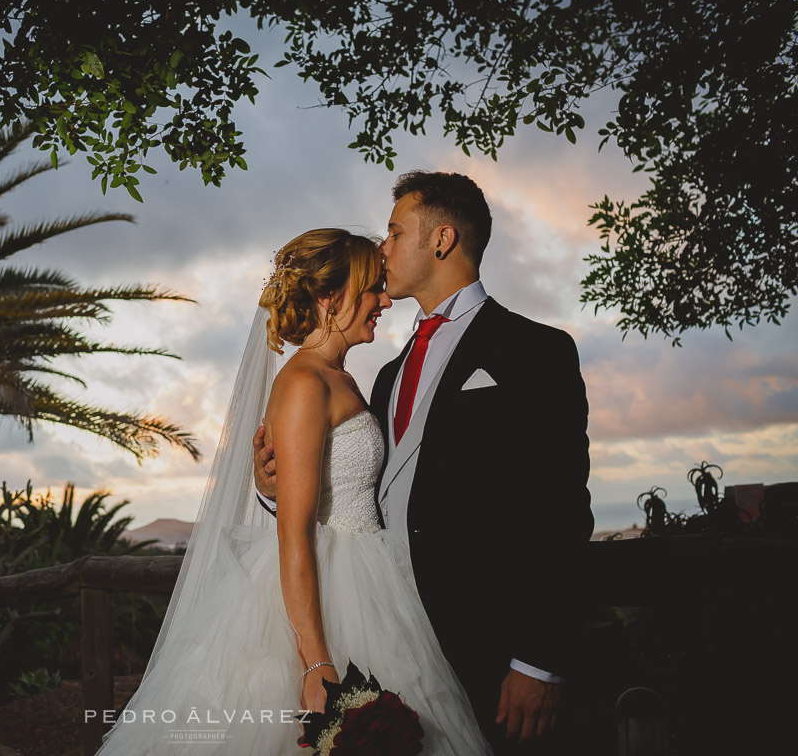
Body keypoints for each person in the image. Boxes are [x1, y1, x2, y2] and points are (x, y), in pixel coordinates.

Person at [95, 228, 493, 754]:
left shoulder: (343, 378)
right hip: (331, 588)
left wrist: (269, 487)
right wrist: (317, 661)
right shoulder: (305, 384)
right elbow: (296, 532)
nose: (383, 302)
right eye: (371, 289)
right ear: (330, 299)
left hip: (372, 577)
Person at [254, 171, 594, 754]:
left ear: (440, 240)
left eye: (393, 231)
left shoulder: (535, 351)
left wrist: (538, 661)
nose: (382, 249)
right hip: (384, 630)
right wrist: (273, 485)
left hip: (493, 649)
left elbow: (560, 513)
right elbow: (353, 485)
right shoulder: (383, 377)